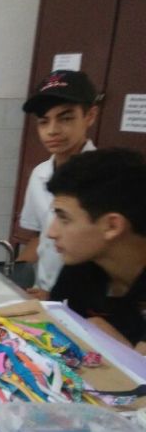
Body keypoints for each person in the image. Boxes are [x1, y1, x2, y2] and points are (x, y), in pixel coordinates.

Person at [47, 148, 146, 355]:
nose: (51, 232)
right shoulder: (82, 265)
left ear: (112, 226)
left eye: (64, 218)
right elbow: (50, 332)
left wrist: (121, 350)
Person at [18, 70, 99, 298]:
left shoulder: (106, 178)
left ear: (90, 116)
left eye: (65, 118)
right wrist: (13, 275)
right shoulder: (40, 174)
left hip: (85, 303)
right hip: (42, 293)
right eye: (44, 121)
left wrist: (57, 296)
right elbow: (40, 237)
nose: (52, 130)